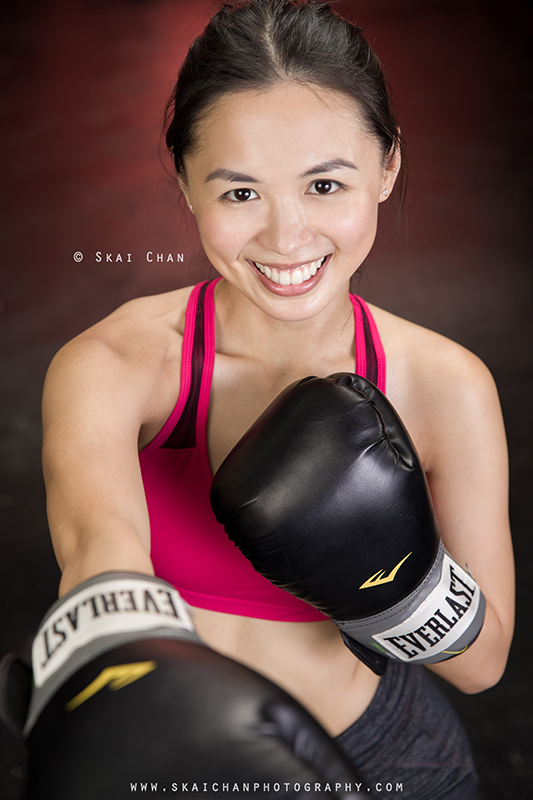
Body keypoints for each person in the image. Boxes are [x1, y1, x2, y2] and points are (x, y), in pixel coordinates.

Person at [41, 0, 514, 797]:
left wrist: (391, 579)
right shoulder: (116, 364)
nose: (286, 236)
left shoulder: (445, 385)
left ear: (388, 167)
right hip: (165, 758)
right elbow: (99, 554)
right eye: (239, 194)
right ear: (186, 184)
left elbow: (482, 664)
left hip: (383, 760)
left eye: (324, 184)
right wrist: (127, 693)